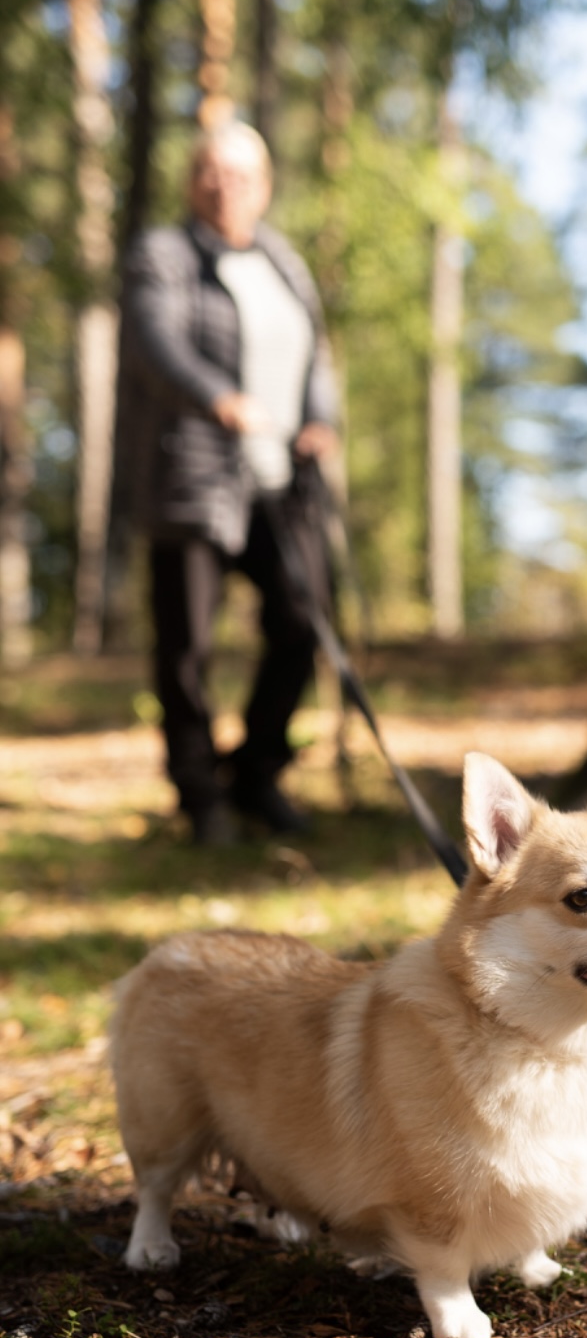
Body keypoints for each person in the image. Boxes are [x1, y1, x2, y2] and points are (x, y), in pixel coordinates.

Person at [123, 121, 339, 843]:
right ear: (192, 181)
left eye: (241, 173)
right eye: (212, 171)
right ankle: (197, 795)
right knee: (186, 647)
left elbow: (317, 355)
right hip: (195, 477)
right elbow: (156, 342)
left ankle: (254, 773)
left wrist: (317, 419)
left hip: (280, 481)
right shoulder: (164, 253)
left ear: (265, 184)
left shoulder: (283, 261)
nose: (226, 184)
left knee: (301, 621)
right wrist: (218, 396)